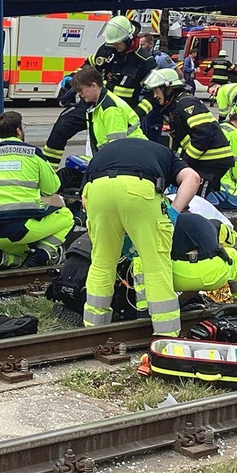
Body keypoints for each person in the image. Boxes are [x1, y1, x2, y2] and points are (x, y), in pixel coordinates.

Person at [81, 137, 201, 337]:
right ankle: (167, 334)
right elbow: (192, 178)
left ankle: (94, 329)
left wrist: (119, 225)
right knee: (155, 265)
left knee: (102, 262)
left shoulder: (108, 150)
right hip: (139, 188)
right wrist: (174, 211)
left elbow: (84, 200)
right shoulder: (167, 154)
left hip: (97, 190)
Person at [41, 16, 155, 170]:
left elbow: (153, 94)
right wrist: (73, 79)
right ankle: (49, 172)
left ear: (129, 39)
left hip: (117, 113)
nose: (114, 45)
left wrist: (137, 113)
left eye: (117, 43)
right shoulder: (107, 49)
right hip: (92, 103)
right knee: (62, 125)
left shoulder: (144, 61)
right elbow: (88, 67)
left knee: (108, 148)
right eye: (112, 43)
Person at [0, 111, 73, 269]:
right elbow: (52, 188)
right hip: (21, 229)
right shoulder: (33, 155)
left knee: (24, 253)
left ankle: (0, 257)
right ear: (19, 131)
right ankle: (43, 255)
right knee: (66, 215)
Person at [143, 67, 233, 195]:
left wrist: (187, 162)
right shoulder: (176, 105)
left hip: (212, 161)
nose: (155, 95)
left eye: (156, 90)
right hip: (205, 160)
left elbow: (203, 134)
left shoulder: (186, 103)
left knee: (195, 200)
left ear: (168, 89)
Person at [170, 212, 237, 316]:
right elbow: (230, 241)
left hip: (176, 279)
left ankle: (148, 307)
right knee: (236, 257)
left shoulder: (164, 223)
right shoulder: (209, 221)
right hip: (212, 276)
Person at [69, 66, 146, 154]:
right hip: (130, 153)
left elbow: (117, 146)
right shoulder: (97, 105)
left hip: (133, 155)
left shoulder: (110, 108)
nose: (80, 94)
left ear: (93, 86)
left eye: (81, 90)